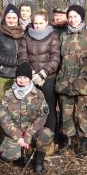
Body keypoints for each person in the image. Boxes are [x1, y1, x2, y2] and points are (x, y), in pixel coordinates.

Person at [55, 5, 87, 157]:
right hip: (64, 82)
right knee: (66, 114)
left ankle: (84, 143)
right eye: (70, 17)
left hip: (83, 83)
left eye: (75, 16)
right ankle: (68, 141)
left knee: (83, 114)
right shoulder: (63, 36)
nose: (73, 20)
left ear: (81, 17)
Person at [0, 63, 53, 172]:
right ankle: (21, 157)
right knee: (8, 155)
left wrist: (28, 134)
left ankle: (38, 160)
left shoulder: (38, 94)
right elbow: (4, 118)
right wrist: (17, 136)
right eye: (19, 77)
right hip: (16, 133)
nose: (22, 80)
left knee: (47, 134)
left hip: (32, 133)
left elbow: (42, 116)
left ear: (30, 79)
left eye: (25, 77)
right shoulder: (8, 95)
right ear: (16, 78)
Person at [18, 9, 60, 149]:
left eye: (40, 23)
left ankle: (49, 141)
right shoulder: (26, 36)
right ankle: (32, 140)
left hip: (48, 78)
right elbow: (23, 56)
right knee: (32, 110)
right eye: (35, 23)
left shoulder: (53, 36)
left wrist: (43, 73)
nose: (37, 26)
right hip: (32, 78)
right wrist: (32, 73)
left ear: (46, 22)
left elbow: (55, 58)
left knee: (48, 110)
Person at [0, 4, 25, 148]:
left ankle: (15, 141)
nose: (11, 20)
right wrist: (16, 62)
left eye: (14, 18)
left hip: (18, 79)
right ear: (4, 18)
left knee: (17, 111)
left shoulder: (22, 34)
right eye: (8, 17)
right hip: (1, 77)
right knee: (0, 110)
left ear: (18, 19)